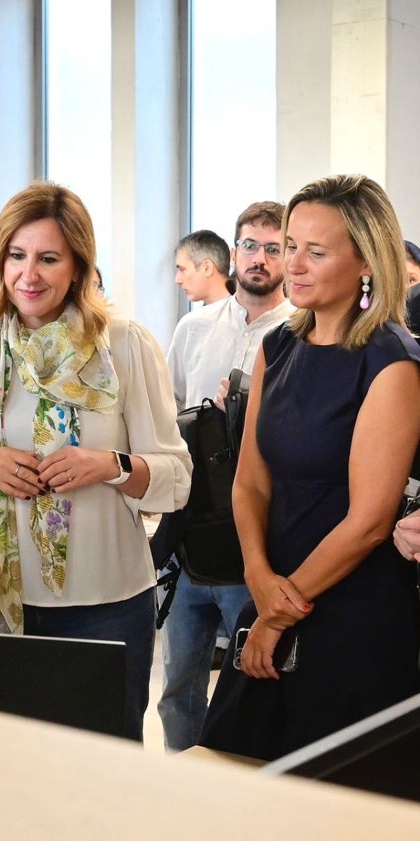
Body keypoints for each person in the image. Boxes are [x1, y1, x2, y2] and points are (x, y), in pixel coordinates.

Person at [0, 181, 192, 741]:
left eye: (48, 258)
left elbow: (176, 481)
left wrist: (110, 464)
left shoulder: (125, 345)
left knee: (101, 770)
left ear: (79, 266)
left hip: (104, 603)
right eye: (16, 255)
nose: (28, 275)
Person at [200, 174, 420, 761]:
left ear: (367, 263)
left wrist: (282, 608)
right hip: (272, 587)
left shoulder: (390, 362)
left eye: (314, 252)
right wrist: (257, 578)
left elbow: (370, 521)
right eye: (290, 244)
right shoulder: (280, 347)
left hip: (353, 613)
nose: (291, 264)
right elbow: (249, 482)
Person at [158, 202, 295, 752]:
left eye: (272, 247)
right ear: (232, 252)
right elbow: (167, 413)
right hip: (192, 529)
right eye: (249, 246)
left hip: (261, 530)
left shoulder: (298, 333)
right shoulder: (194, 327)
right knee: (178, 682)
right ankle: (180, 784)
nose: (259, 259)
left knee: (247, 681)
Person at [174, 229, 233, 305]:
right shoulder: (200, 316)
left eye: (182, 270)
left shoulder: (245, 314)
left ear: (207, 268)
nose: (177, 280)